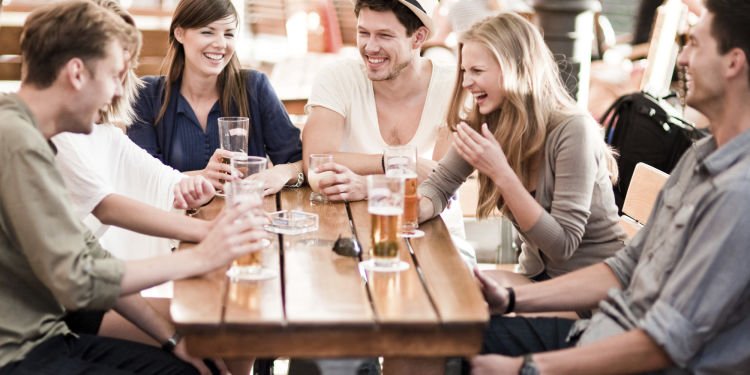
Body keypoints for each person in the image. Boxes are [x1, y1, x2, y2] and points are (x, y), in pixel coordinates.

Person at [469, 1, 750, 373]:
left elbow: (663, 344)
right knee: (451, 333)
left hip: (626, 357)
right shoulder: (702, 156)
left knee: (452, 347)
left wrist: (530, 369)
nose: (682, 58)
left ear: (733, 62)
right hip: (596, 332)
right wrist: (510, 297)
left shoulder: (737, 194)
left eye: (694, 45)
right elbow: (623, 269)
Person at [0, 1, 267, 373]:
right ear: (77, 73)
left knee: (194, 362)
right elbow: (79, 280)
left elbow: (92, 259)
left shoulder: (32, 135)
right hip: (20, 353)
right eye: (114, 76)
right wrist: (198, 257)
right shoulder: (15, 140)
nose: (116, 93)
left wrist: (173, 341)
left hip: (48, 333)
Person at [420, 13, 626, 286]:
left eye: (477, 71)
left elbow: (562, 245)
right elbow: (439, 185)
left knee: (457, 308)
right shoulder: (488, 121)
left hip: (590, 291)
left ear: (516, 68)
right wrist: (413, 208)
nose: (467, 82)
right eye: (464, 71)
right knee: (441, 288)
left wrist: (501, 173)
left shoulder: (573, 131)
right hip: (536, 279)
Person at [302, 0, 475, 265]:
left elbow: (438, 185)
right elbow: (317, 162)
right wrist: (399, 163)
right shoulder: (337, 77)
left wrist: (367, 186)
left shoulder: (454, 86)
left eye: (384, 35)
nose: (370, 47)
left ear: (418, 37)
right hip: (350, 239)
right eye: (364, 33)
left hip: (437, 242)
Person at [53, 0, 216, 261]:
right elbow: (107, 207)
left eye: (124, 72)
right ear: (77, 69)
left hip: (100, 280)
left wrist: (196, 186)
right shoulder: (56, 136)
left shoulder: (105, 135)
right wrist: (211, 230)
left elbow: (162, 179)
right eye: (113, 72)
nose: (121, 87)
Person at [128, 0, 304, 196]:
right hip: (174, 222)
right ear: (179, 33)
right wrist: (202, 177)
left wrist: (283, 172)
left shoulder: (255, 87)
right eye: (207, 32)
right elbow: (140, 178)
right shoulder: (146, 94)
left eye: (228, 34)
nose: (221, 44)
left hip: (245, 217)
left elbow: (299, 161)